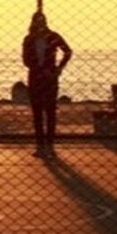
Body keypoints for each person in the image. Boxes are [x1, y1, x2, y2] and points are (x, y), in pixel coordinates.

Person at [22, 12, 73, 158]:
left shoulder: (53, 36)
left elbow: (68, 51)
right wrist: (41, 69)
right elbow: (26, 60)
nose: (39, 24)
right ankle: (40, 145)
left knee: (50, 112)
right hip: (36, 77)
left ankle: (49, 146)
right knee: (37, 113)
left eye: (41, 21)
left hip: (50, 78)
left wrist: (58, 68)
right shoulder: (29, 39)